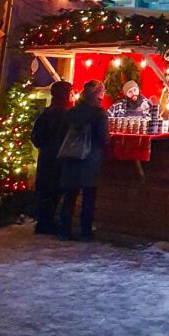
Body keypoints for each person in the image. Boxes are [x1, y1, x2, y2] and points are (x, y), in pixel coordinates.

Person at [58, 80, 109, 240]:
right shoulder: (99, 114)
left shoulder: (71, 112)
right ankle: (85, 231)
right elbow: (103, 137)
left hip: (71, 156)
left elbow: (62, 132)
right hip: (90, 158)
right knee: (88, 196)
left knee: (70, 195)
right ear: (98, 94)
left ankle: (64, 230)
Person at [30, 80, 73, 235]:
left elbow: (36, 136)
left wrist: (44, 146)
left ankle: (43, 222)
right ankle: (49, 223)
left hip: (47, 157)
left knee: (44, 190)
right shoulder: (68, 114)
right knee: (56, 189)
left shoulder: (47, 113)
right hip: (60, 158)